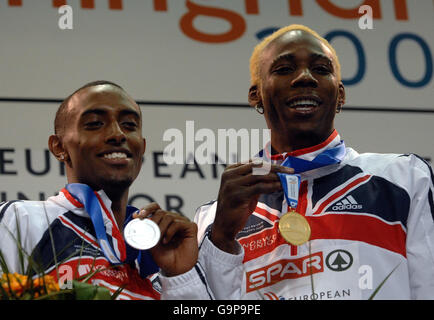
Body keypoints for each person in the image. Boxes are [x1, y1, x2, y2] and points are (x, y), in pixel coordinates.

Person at [194, 24, 434, 299]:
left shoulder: (404, 179)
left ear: (340, 95)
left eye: (321, 69)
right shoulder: (214, 217)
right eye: (284, 69)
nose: (304, 78)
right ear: (256, 95)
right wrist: (222, 237)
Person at [0, 80, 212, 300]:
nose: (118, 134)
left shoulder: (163, 246)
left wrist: (180, 276)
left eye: (129, 125)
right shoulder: (19, 220)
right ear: (59, 147)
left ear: (142, 146)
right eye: (94, 123)